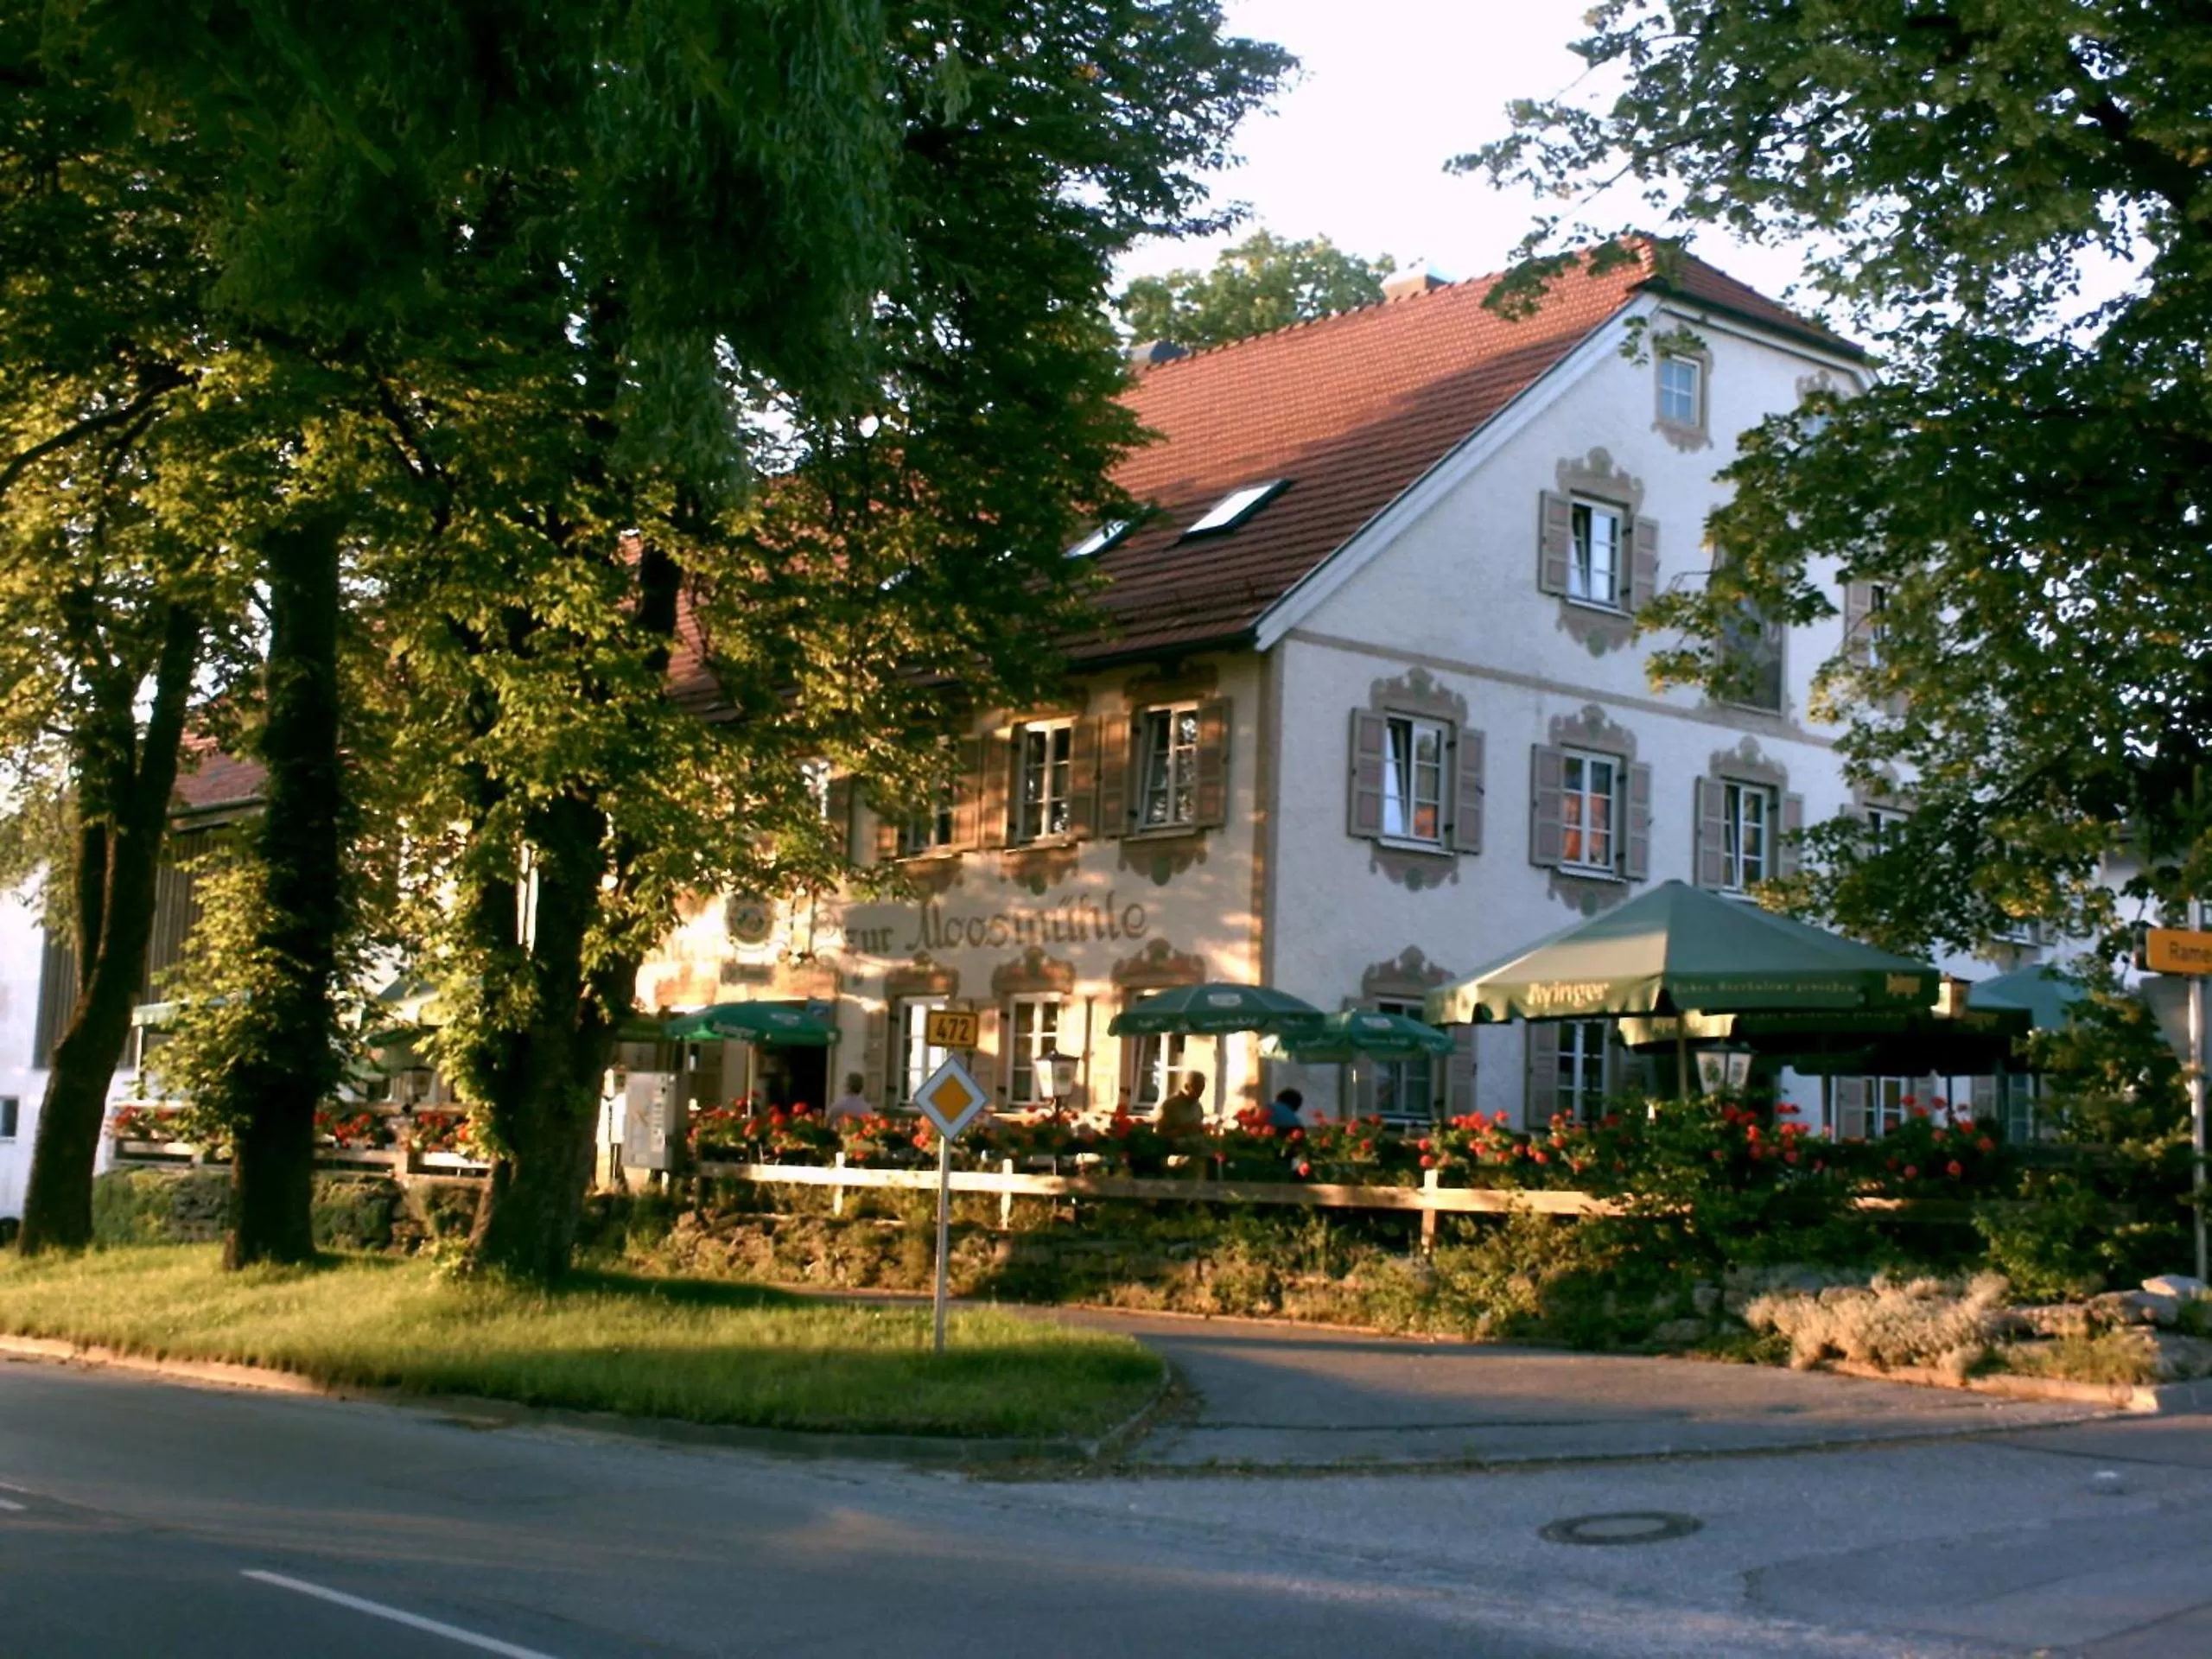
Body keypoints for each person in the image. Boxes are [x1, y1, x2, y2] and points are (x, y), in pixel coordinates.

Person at [1156, 1070, 1206, 1137]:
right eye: (1196, 1089)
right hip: (1176, 1146)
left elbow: (1199, 1130)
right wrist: (1184, 1130)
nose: (1199, 1094)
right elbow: (1159, 1134)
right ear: (1186, 1087)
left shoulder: (1198, 1107)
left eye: (1201, 1090)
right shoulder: (1170, 1105)